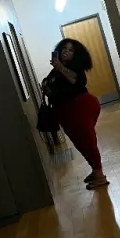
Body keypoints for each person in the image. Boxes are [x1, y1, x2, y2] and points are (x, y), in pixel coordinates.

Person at [42, 39, 108, 189]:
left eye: (70, 50)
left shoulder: (74, 68)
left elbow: (77, 81)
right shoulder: (54, 71)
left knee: (87, 141)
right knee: (80, 142)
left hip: (80, 107)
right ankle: (95, 169)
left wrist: (61, 68)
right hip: (66, 112)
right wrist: (46, 88)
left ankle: (99, 176)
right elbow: (53, 93)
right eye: (64, 48)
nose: (66, 52)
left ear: (75, 54)